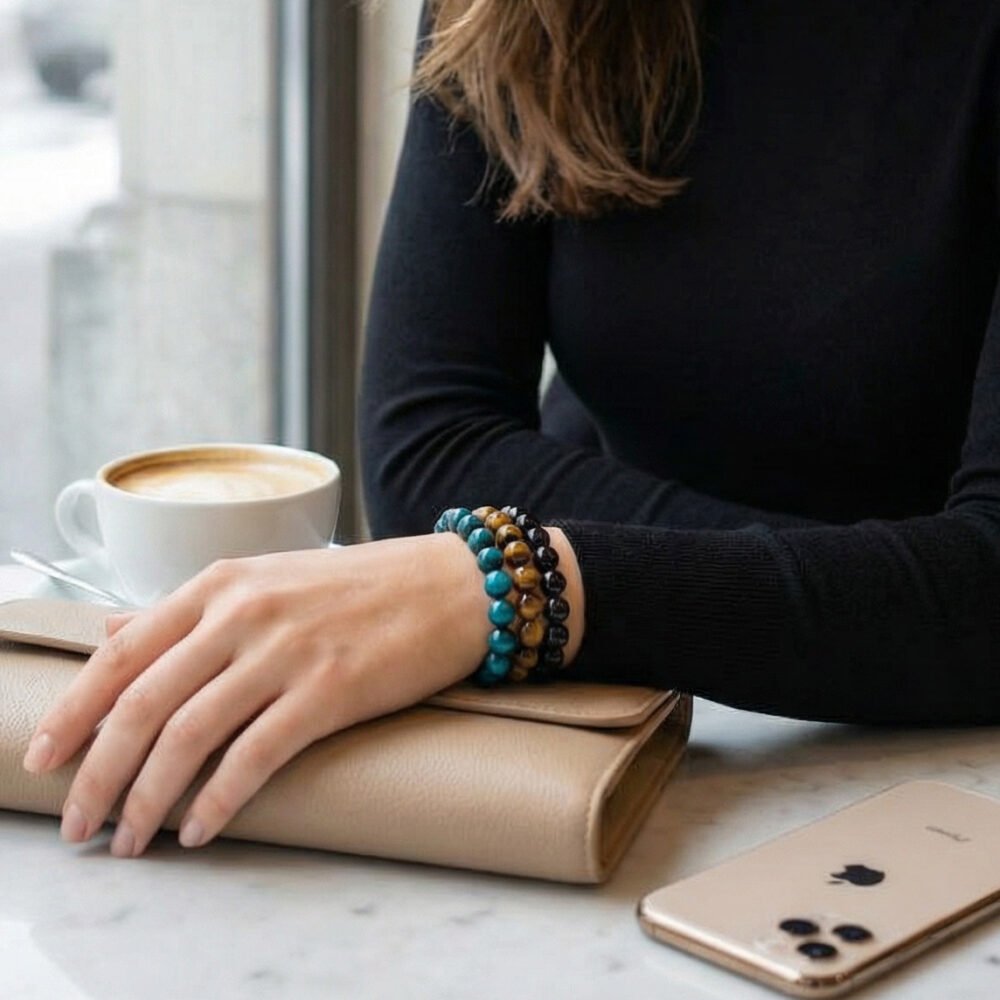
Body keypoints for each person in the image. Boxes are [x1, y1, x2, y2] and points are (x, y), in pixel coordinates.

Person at [20, 0, 1000, 861]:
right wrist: (869, 591)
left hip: (924, 783)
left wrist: (525, 581)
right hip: (625, 718)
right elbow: (428, 443)